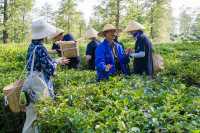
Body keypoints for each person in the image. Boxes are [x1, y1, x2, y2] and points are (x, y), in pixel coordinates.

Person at [20, 18, 69, 133]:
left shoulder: (32, 45)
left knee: (31, 114)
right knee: (41, 114)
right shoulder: (41, 48)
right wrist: (57, 62)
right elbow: (50, 69)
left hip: (31, 82)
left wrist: (53, 60)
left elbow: (38, 63)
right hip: (39, 84)